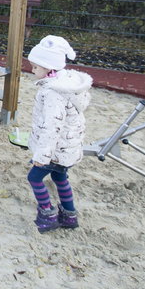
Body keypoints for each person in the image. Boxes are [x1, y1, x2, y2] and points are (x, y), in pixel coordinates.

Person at [26, 35, 92, 233]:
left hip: (55, 149)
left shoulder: (53, 93)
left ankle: (48, 214)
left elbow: (52, 126)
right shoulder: (68, 85)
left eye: (36, 67)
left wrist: (42, 156)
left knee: (35, 178)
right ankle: (69, 215)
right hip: (67, 147)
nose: (32, 70)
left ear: (49, 68)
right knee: (60, 178)